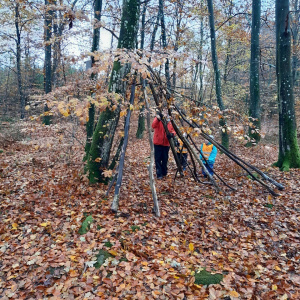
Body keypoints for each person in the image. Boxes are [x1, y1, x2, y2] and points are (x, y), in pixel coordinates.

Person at [152, 113, 176, 179]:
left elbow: (174, 130)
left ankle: (164, 173)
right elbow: (153, 125)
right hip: (157, 143)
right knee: (158, 159)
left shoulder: (170, 121)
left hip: (166, 144)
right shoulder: (158, 119)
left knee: (165, 159)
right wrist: (158, 119)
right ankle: (159, 174)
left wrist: (172, 134)